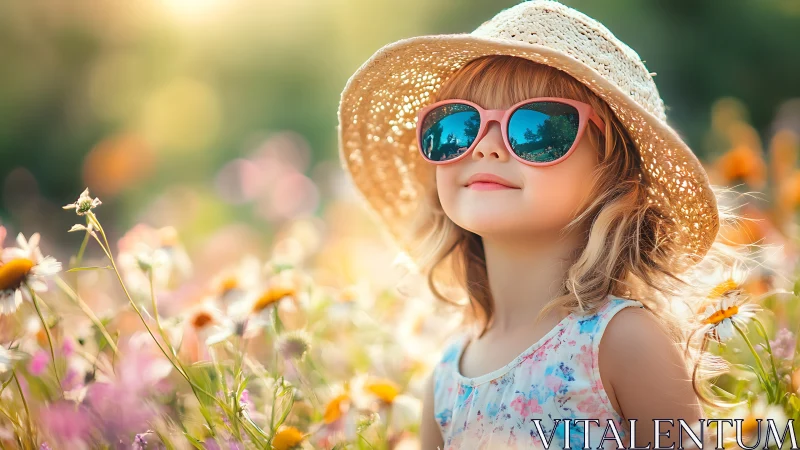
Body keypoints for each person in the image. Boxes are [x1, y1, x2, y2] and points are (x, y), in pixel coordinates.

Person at [337, 1, 746, 448]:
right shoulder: (447, 376)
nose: (486, 147)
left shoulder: (622, 344)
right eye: (456, 126)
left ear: (614, 176)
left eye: (538, 128)